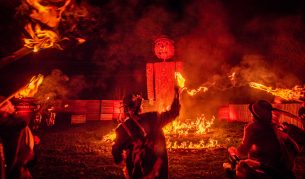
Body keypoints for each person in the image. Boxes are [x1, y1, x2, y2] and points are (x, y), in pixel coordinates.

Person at [112, 87, 180, 178]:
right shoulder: (154, 118)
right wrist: (177, 95)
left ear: (126, 109)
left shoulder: (122, 129)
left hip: (138, 174)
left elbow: (116, 152)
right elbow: (173, 113)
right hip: (158, 172)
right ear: (141, 106)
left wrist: (120, 159)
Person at [228, 100, 300, 178]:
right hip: (278, 166)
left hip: (261, 167)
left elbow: (243, 150)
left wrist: (234, 151)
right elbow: (294, 146)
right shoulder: (273, 126)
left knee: (239, 169)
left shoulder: (252, 128)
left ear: (255, 115)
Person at [0, 99, 35, 178]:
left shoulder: (11, 124)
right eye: (9, 104)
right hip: (16, 170)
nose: (12, 106)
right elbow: (23, 121)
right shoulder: (14, 125)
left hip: (17, 170)